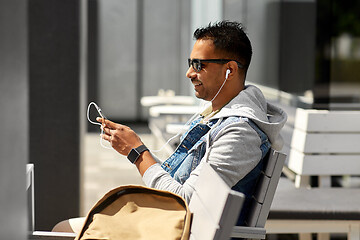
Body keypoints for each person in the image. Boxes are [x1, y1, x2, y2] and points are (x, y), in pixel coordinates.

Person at [53, 20, 287, 232]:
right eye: (190, 63)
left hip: (178, 230)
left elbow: (184, 202)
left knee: (63, 231)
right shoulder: (217, 115)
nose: (189, 73)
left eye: (199, 64)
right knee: (64, 228)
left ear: (230, 70)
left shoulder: (240, 133)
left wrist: (137, 152)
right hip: (169, 225)